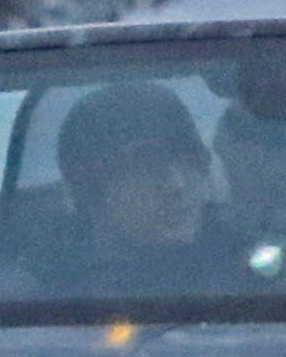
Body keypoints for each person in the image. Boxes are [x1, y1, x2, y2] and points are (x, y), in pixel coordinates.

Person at [34, 82, 260, 298]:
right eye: (148, 167)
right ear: (90, 187)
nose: (177, 185)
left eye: (192, 162)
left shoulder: (251, 264)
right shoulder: (30, 298)